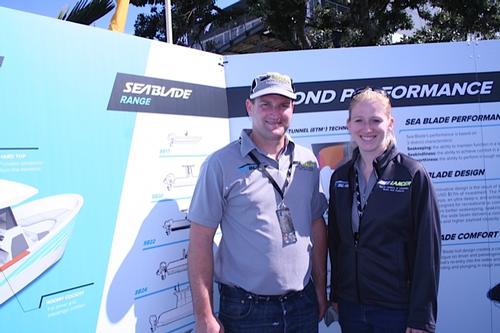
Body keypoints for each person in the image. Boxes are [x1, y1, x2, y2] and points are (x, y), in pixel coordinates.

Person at [187, 72, 328, 333]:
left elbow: (317, 225)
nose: (275, 113)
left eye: (283, 105)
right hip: (247, 312)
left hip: (302, 305)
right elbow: (200, 240)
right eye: (266, 104)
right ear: (250, 107)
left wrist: (320, 289)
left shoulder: (308, 162)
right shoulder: (220, 164)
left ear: (293, 109)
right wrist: (203, 315)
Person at [327, 87, 441, 333]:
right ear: (348, 124)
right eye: (359, 120)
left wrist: (421, 317)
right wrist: (336, 292)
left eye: (375, 120)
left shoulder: (411, 174)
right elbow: (336, 243)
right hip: (351, 307)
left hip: (396, 308)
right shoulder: (340, 176)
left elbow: (427, 251)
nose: (367, 129)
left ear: (390, 123)